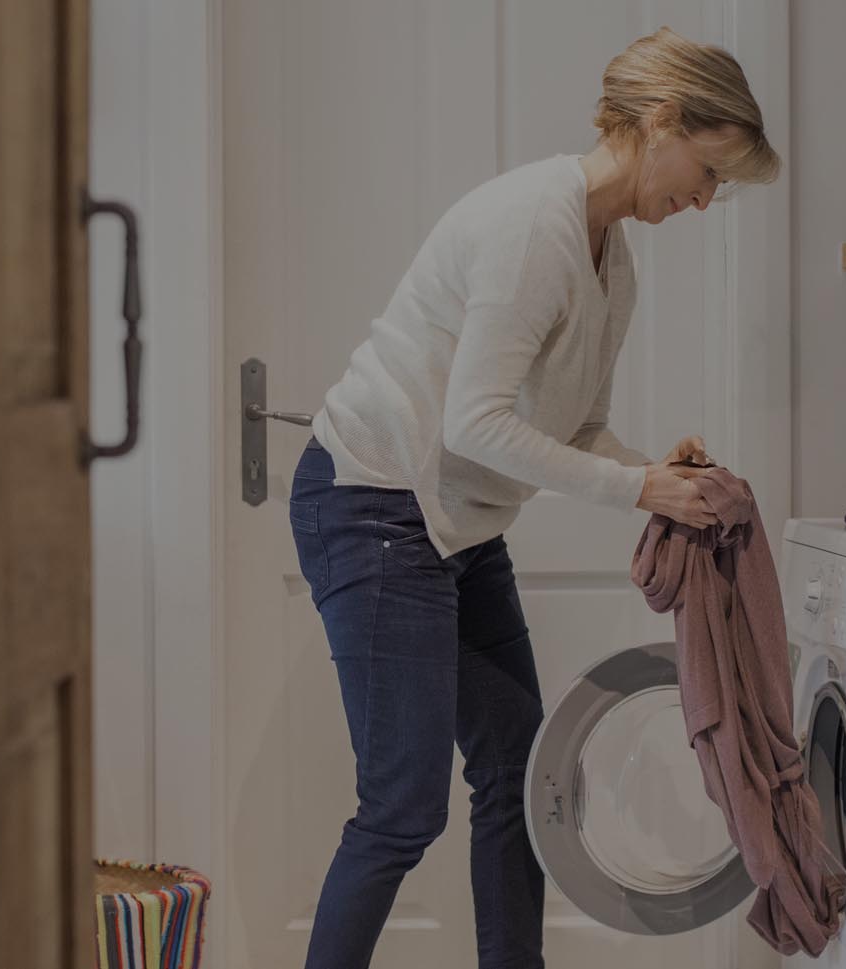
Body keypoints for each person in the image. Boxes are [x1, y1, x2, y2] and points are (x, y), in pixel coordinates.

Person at [288, 25, 781, 969]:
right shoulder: (533, 229)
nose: (708, 199)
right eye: (710, 170)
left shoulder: (614, 262)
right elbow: (474, 424)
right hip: (373, 502)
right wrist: (640, 486)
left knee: (521, 766)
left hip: (455, 521)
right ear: (664, 121)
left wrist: (656, 476)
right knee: (401, 803)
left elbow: (575, 427)